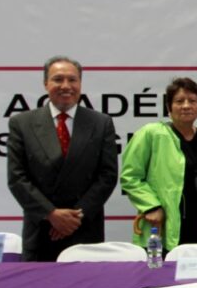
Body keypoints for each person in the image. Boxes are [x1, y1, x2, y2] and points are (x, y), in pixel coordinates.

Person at [7, 56, 118, 261]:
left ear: (80, 84)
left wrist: (74, 218)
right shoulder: (22, 123)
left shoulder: (101, 123)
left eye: (72, 80)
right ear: (46, 83)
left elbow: (107, 176)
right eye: (58, 79)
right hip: (41, 230)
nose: (66, 86)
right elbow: (17, 178)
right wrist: (52, 214)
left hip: (84, 229)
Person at [120, 77, 197, 252]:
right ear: (169, 107)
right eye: (179, 101)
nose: (186, 106)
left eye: (192, 101)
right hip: (161, 226)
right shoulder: (152, 134)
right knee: (158, 269)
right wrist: (151, 206)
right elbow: (130, 177)